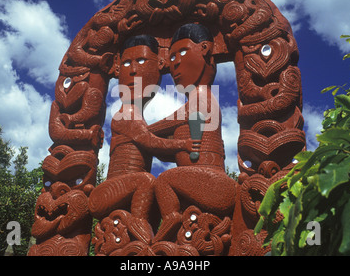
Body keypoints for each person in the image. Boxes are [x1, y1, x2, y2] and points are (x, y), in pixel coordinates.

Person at [88, 34, 199, 244]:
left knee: (158, 190)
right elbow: (150, 141)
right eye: (127, 63)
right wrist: (182, 144)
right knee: (145, 180)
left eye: (141, 61)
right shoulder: (124, 113)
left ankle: (157, 232)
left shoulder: (138, 118)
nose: (133, 70)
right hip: (106, 195)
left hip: (124, 193)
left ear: (159, 65)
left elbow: (153, 143)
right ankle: (140, 229)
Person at [151, 23, 238, 242]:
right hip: (197, 185)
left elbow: (165, 125)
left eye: (182, 52)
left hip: (214, 184)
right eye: (171, 58)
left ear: (206, 49)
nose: (176, 63)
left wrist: (139, 133)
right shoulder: (193, 107)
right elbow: (171, 149)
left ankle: (171, 219)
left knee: (164, 180)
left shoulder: (201, 97)